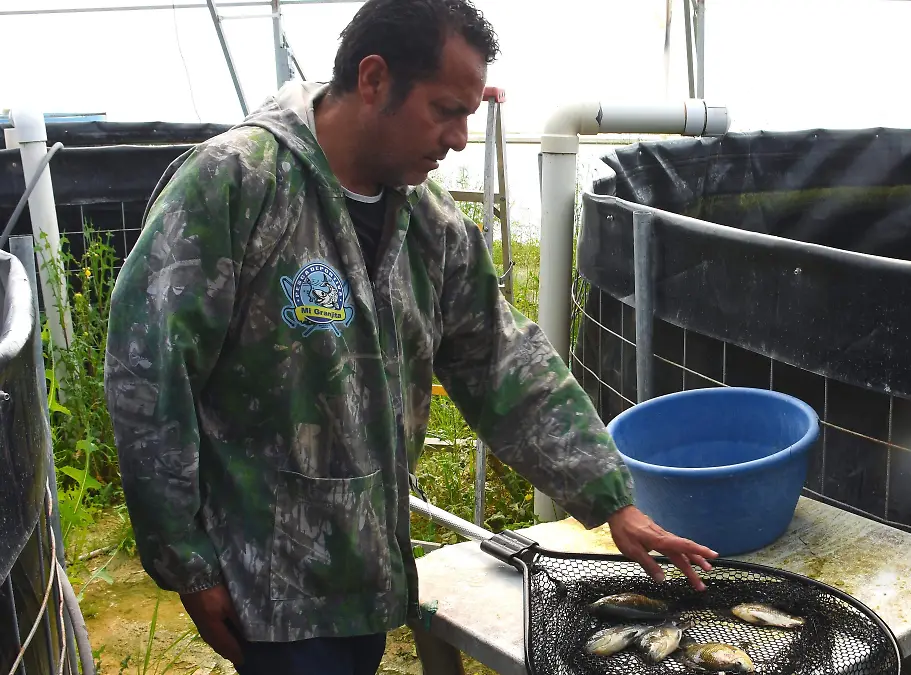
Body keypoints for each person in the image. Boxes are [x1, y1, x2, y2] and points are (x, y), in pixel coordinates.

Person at [102, 1, 718, 673]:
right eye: (445, 109)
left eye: (468, 116)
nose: (458, 137)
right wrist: (186, 561)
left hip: (366, 577)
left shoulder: (431, 226)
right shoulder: (237, 184)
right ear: (373, 80)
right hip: (266, 582)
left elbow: (503, 362)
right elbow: (149, 372)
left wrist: (612, 501)